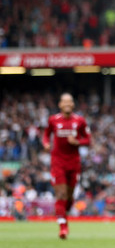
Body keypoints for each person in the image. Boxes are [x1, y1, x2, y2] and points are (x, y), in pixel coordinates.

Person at [42, 93, 91, 239]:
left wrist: (78, 142)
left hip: (74, 162)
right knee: (61, 193)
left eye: (70, 102)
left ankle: (63, 213)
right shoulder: (53, 120)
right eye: (65, 102)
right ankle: (63, 227)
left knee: (69, 198)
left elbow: (88, 139)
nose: (67, 104)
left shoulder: (80, 121)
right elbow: (46, 134)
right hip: (58, 161)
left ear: (73, 104)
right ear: (60, 105)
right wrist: (46, 144)